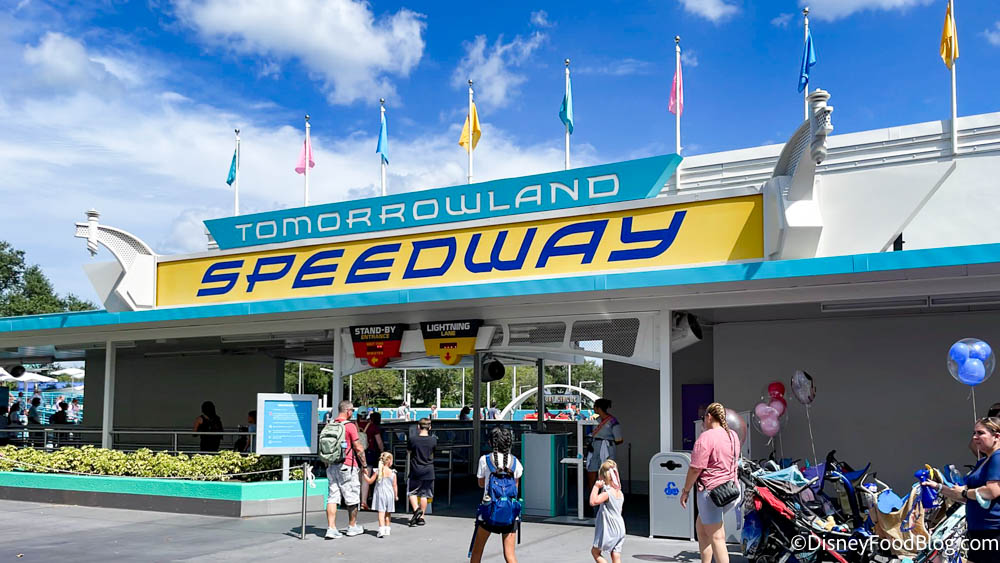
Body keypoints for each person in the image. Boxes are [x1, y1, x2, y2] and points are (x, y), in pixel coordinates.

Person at [924, 417, 1000, 563]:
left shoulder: (997, 458)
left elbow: (992, 491)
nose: (975, 437)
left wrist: (964, 492)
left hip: (992, 531)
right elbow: (964, 495)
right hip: (979, 531)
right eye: (974, 433)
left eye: (980, 433)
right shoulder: (983, 461)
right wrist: (938, 487)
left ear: (996, 436)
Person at [680, 402, 742, 563]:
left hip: (712, 494)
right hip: (731, 491)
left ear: (708, 417)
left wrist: (685, 491)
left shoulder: (706, 437)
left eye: (703, 418)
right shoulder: (733, 435)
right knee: (702, 529)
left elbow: (695, 469)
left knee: (717, 537)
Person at [470, 426, 523, 563]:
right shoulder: (515, 462)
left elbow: (481, 484)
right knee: (510, 555)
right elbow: (515, 488)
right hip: (510, 512)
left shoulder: (485, 460)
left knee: (477, 551)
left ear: (491, 443)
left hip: (489, 510)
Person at [325, 400, 368, 539]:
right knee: (352, 496)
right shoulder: (349, 426)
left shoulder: (330, 424)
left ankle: (331, 528)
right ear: (348, 411)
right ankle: (352, 526)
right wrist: (364, 465)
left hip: (332, 465)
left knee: (332, 497)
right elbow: (358, 448)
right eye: (352, 411)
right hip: (347, 465)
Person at [591, 459, 626, 563]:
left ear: (602, 477)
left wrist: (596, 487)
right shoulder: (619, 493)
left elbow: (593, 501)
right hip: (620, 527)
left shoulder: (607, 493)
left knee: (595, 552)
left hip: (609, 528)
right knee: (615, 554)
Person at [586, 398, 624, 494]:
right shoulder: (595, 420)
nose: (593, 409)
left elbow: (619, 439)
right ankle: (593, 496)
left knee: (607, 472)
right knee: (591, 471)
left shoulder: (612, 421)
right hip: (595, 449)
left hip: (607, 449)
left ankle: (607, 496)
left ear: (598, 408)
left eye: (594, 407)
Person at [407, 417, 438, 527]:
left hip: (416, 469)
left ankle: (416, 510)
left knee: (412, 492)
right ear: (430, 427)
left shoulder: (413, 439)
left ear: (418, 427)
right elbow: (433, 451)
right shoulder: (433, 440)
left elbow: (409, 451)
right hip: (429, 470)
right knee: (424, 494)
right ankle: (421, 518)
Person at [363, 451, 398, 538]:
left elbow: (370, 481)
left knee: (381, 512)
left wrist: (364, 475)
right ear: (389, 461)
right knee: (388, 512)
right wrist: (396, 495)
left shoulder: (378, 471)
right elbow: (395, 485)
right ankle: (387, 529)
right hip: (390, 494)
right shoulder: (393, 473)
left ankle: (381, 529)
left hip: (380, 493)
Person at [359, 411, 384, 510]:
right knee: (366, 477)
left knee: (357, 478)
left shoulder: (353, 425)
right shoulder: (373, 427)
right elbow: (379, 442)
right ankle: (363, 502)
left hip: (356, 453)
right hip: (368, 453)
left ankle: (356, 500)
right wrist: (382, 452)